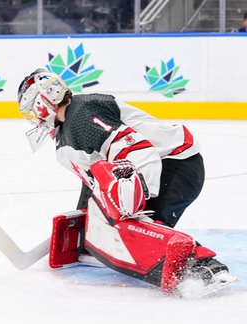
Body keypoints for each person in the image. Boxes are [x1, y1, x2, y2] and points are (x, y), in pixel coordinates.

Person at [16, 68, 234, 296]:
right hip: (160, 167)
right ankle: (175, 256)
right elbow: (94, 176)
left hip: (173, 165)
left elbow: (139, 151)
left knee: (133, 230)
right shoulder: (67, 125)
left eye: (33, 108)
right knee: (120, 226)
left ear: (45, 101)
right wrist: (88, 219)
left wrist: (133, 206)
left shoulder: (81, 116)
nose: (34, 116)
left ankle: (202, 268)